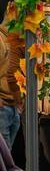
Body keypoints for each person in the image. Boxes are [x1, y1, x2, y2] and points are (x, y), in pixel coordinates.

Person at [0, 15, 23, 148]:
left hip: (12, 105)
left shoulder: (13, 41)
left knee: (7, 157)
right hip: (3, 108)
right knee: (4, 159)